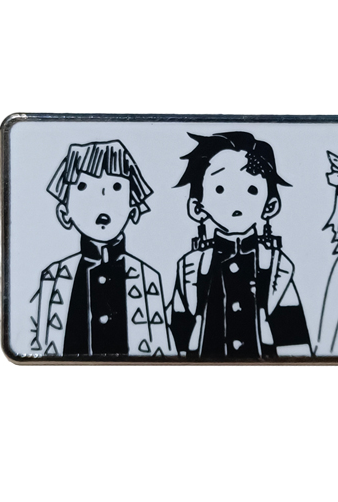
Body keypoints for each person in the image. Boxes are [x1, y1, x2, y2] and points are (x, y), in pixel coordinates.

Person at [169, 131, 311, 360]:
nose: (236, 201)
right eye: (220, 189)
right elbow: (178, 333)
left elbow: (293, 337)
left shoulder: (277, 266)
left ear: (271, 205)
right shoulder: (190, 267)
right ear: (197, 207)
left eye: (251, 190)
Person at [30, 141, 172, 358]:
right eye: (83, 187)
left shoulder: (147, 277)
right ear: (64, 213)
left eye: (116, 187)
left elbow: (160, 347)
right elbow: (39, 340)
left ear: (133, 209)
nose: (101, 200)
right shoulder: (53, 277)